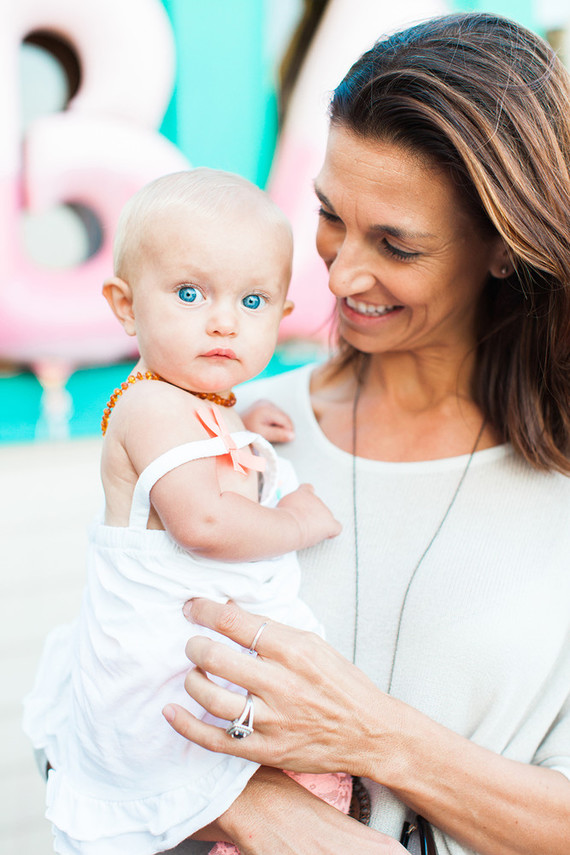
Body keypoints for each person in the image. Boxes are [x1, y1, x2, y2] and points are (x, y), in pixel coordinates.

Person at [159, 13, 570, 855]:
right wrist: (249, 809)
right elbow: (86, 712)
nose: (341, 272)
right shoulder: (222, 427)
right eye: (329, 214)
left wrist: (368, 733)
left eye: (397, 243)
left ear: (503, 247)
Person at [22, 168, 352, 855]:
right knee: (310, 787)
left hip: (193, 677)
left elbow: (204, 452)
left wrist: (245, 430)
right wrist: (295, 520)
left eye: (254, 299)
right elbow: (202, 522)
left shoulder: (197, 407)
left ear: (283, 314)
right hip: (156, 691)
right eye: (190, 292)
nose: (224, 319)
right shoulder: (148, 405)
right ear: (124, 306)